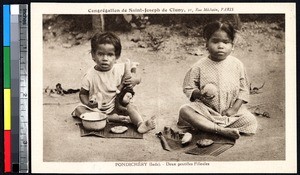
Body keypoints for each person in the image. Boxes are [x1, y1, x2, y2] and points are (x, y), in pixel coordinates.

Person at [177, 21, 257, 139]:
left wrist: (234, 109)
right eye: (215, 41)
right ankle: (220, 130)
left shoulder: (237, 64)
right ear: (206, 44)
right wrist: (199, 94)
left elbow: (244, 90)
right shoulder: (199, 66)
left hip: (231, 113)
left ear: (232, 45)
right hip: (207, 111)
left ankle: (206, 127)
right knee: (184, 111)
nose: (220, 46)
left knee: (250, 120)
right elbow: (188, 87)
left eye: (226, 42)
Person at [72, 32, 155, 133]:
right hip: (96, 109)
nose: (105, 59)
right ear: (93, 55)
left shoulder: (120, 68)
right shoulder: (90, 75)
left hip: (116, 106)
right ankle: (111, 118)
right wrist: (88, 103)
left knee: (131, 107)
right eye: (100, 54)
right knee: (79, 109)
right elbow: (83, 94)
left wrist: (134, 80)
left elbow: (138, 76)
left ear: (117, 56)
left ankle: (140, 124)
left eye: (110, 55)